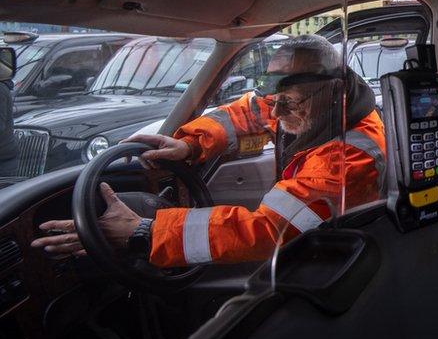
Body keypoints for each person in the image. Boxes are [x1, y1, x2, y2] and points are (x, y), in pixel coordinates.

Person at [31, 35, 385, 266]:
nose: (275, 114)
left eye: (289, 103)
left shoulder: (350, 156)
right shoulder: (314, 103)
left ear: (335, 92)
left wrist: (146, 233)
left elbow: (268, 231)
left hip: (329, 262)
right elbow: (246, 112)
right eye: (274, 99)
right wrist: (188, 144)